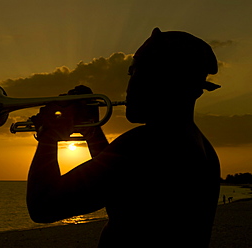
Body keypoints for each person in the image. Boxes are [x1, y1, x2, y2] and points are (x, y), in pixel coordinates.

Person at [26, 28, 221, 247]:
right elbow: (120, 188)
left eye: (135, 72)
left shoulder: (145, 144)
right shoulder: (201, 147)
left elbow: (43, 206)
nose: (129, 87)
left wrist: (49, 135)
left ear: (164, 80)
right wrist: (92, 132)